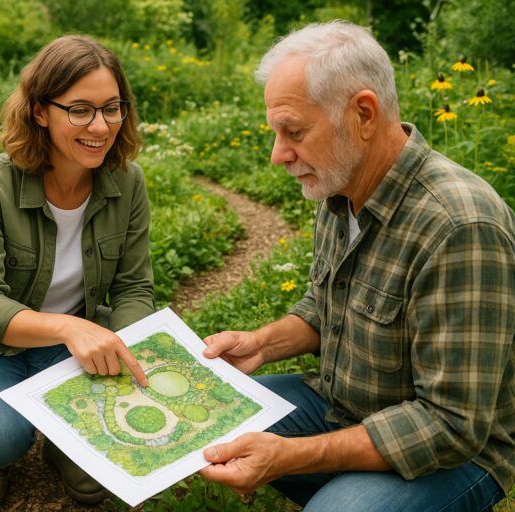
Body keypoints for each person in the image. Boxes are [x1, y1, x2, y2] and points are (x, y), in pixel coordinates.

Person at [198, 20, 515, 511]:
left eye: (294, 132)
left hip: (454, 456)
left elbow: (452, 425)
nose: (278, 155)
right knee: (207, 419)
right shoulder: (340, 185)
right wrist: (262, 344)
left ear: (363, 114)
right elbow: (325, 306)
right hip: (342, 406)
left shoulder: (459, 226)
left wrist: (291, 456)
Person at [0, 35, 155, 507]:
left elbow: (133, 288)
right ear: (39, 111)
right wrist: (69, 328)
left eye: (112, 108)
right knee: (1, 436)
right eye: (80, 110)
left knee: (96, 455)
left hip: (72, 341)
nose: (100, 126)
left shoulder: (127, 182)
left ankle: (62, 444)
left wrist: (134, 348)